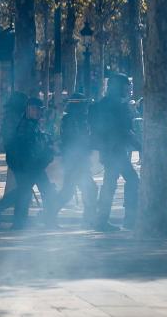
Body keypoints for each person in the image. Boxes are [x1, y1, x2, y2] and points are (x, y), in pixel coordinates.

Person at [0, 98, 55, 229]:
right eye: (34, 109)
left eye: (39, 109)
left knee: (26, 191)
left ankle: (6, 214)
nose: (38, 112)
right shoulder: (25, 126)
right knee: (27, 192)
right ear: (28, 109)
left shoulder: (32, 123)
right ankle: (20, 222)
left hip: (33, 165)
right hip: (28, 165)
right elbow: (28, 147)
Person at [90, 73, 140, 231]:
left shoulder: (105, 103)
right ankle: (128, 219)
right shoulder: (116, 106)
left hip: (110, 150)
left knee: (111, 185)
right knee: (130, 180)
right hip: (115, 151)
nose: (128, 90)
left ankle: (103, 220)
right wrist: (141, 146)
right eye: (126, 86)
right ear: (119, 87)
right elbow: (124, 130)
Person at [48, 94, 97, 227]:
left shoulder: (78, 120)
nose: (86, 107)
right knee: (83, 190)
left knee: (78, 190)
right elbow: (74, 141)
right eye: (83, 105)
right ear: (78, 106)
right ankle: (49, 216)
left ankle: (49, 215)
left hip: (77, 161)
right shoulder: (71, 120)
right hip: (75, 162)